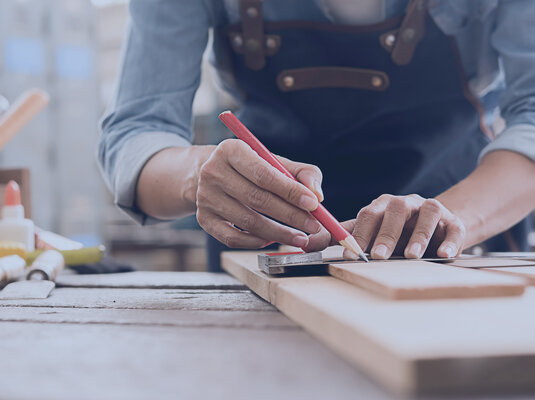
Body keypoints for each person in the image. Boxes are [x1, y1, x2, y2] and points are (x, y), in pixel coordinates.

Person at [99, 0, 535, 271]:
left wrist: (449, 221)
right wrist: (197, 174)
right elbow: (137, 134)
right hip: (271, 262)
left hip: (453, 257)